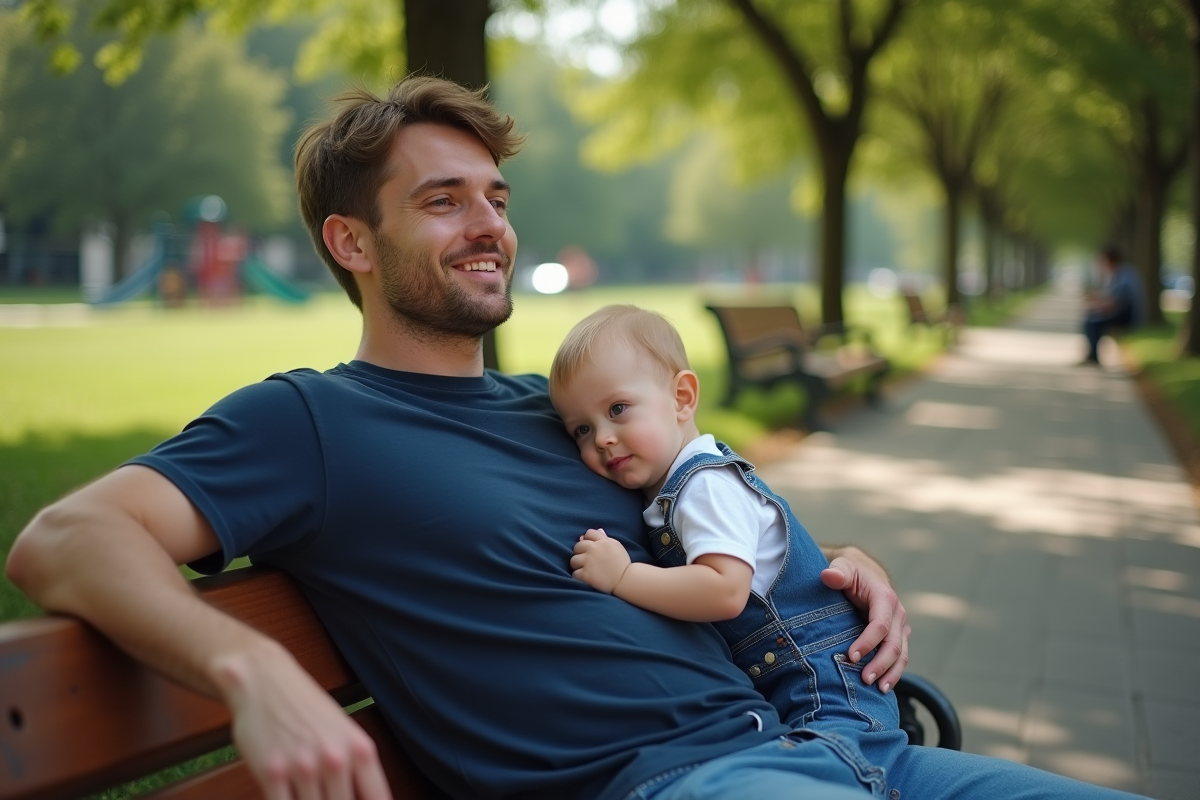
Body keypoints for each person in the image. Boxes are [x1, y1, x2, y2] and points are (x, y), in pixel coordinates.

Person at [5, 76, 1145, 800]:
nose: (491, 223)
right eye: (445, 200)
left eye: (495, 196)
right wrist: (247, 664)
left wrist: (852, 566)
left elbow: (715, 522)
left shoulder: (560, 410)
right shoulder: (311, 421)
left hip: (841, 743)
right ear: (352, 241)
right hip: (683, 782)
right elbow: (66, 535)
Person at [548, 305, 902, 755]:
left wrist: (622, 577)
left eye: (618, 409)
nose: (601, 438)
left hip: (828, 685)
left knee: (830, 768)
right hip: (795, 685)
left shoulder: (703, 487)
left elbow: (724, 590)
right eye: (581, 429)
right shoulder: (673, 488)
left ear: (681, 398)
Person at [1081, 244, 1143, 365]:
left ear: (1110, 260)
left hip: (1127, 316)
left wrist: (1096, 304)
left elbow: (1116, 302)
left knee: (1092, 322)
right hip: (1123, 312)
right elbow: (1111, 297)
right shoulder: (1121, 273)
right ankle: (1092, 355)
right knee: (1091, 317)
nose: (1102, 264)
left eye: (1103, 260)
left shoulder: (1123, 276)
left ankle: (1093, 357)